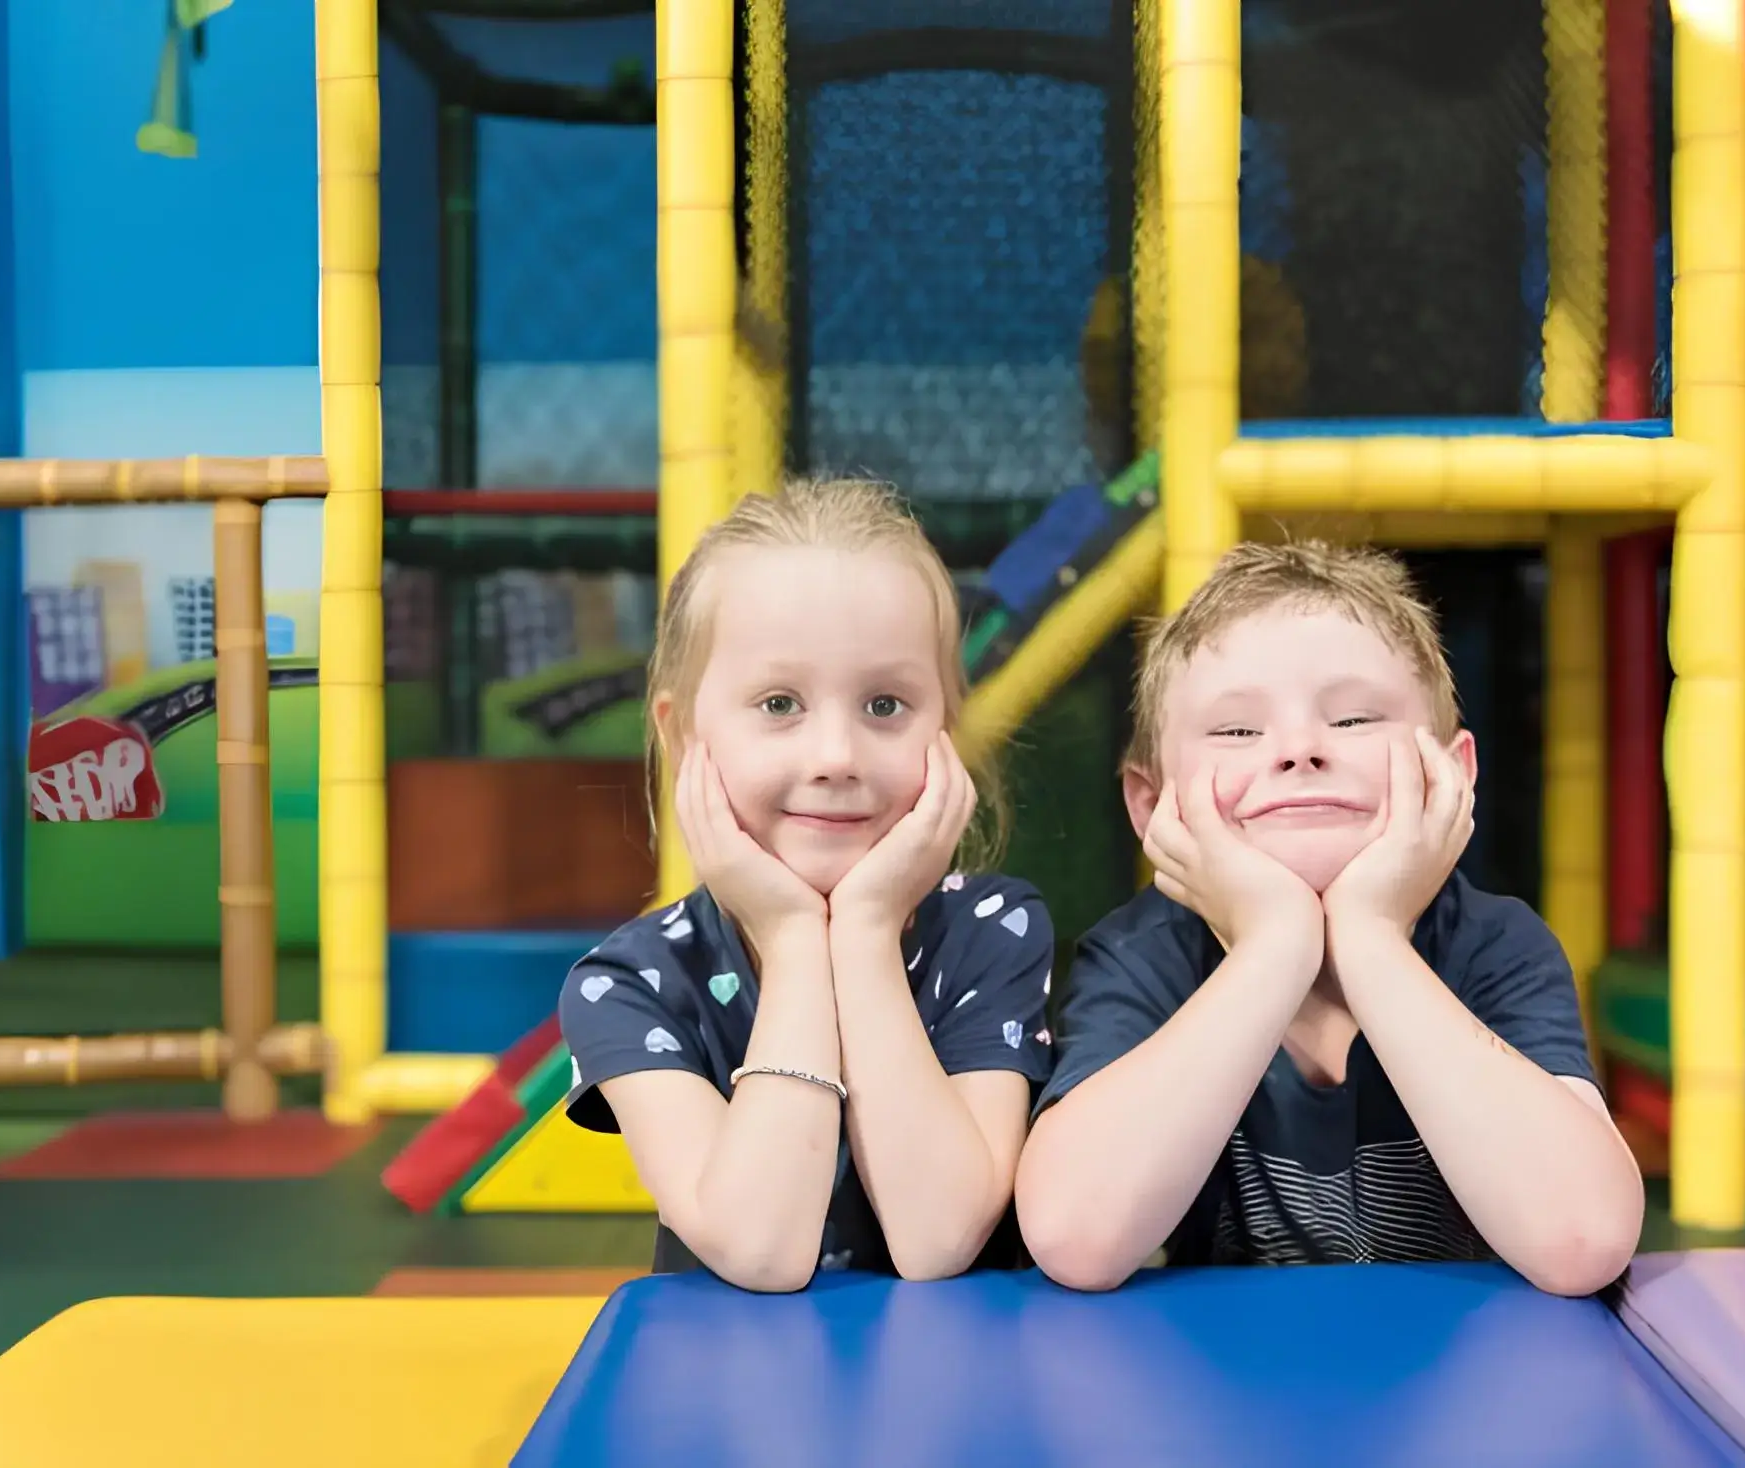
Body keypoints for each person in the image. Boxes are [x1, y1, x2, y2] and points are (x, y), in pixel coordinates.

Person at [1015, 539, 1643, 1296]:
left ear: (1454, 773)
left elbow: (1585, 1239)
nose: (1302, 750)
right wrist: (1274, 946)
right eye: (1238, 731)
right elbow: (1075, 1236)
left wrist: (1372, 940)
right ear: (1151, 805)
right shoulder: (1141, 956)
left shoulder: (1495, 946)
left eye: (1353, 719)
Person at [558, 478, 1055, 1292]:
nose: (837, 755)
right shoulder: (632, 985)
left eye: (886, 704)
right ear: (682, 734)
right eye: (779, 703)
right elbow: (760, 1250)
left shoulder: (992, 929)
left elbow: (939, 1239)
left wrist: (861, 934)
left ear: (946, 730)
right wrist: (795, 943)